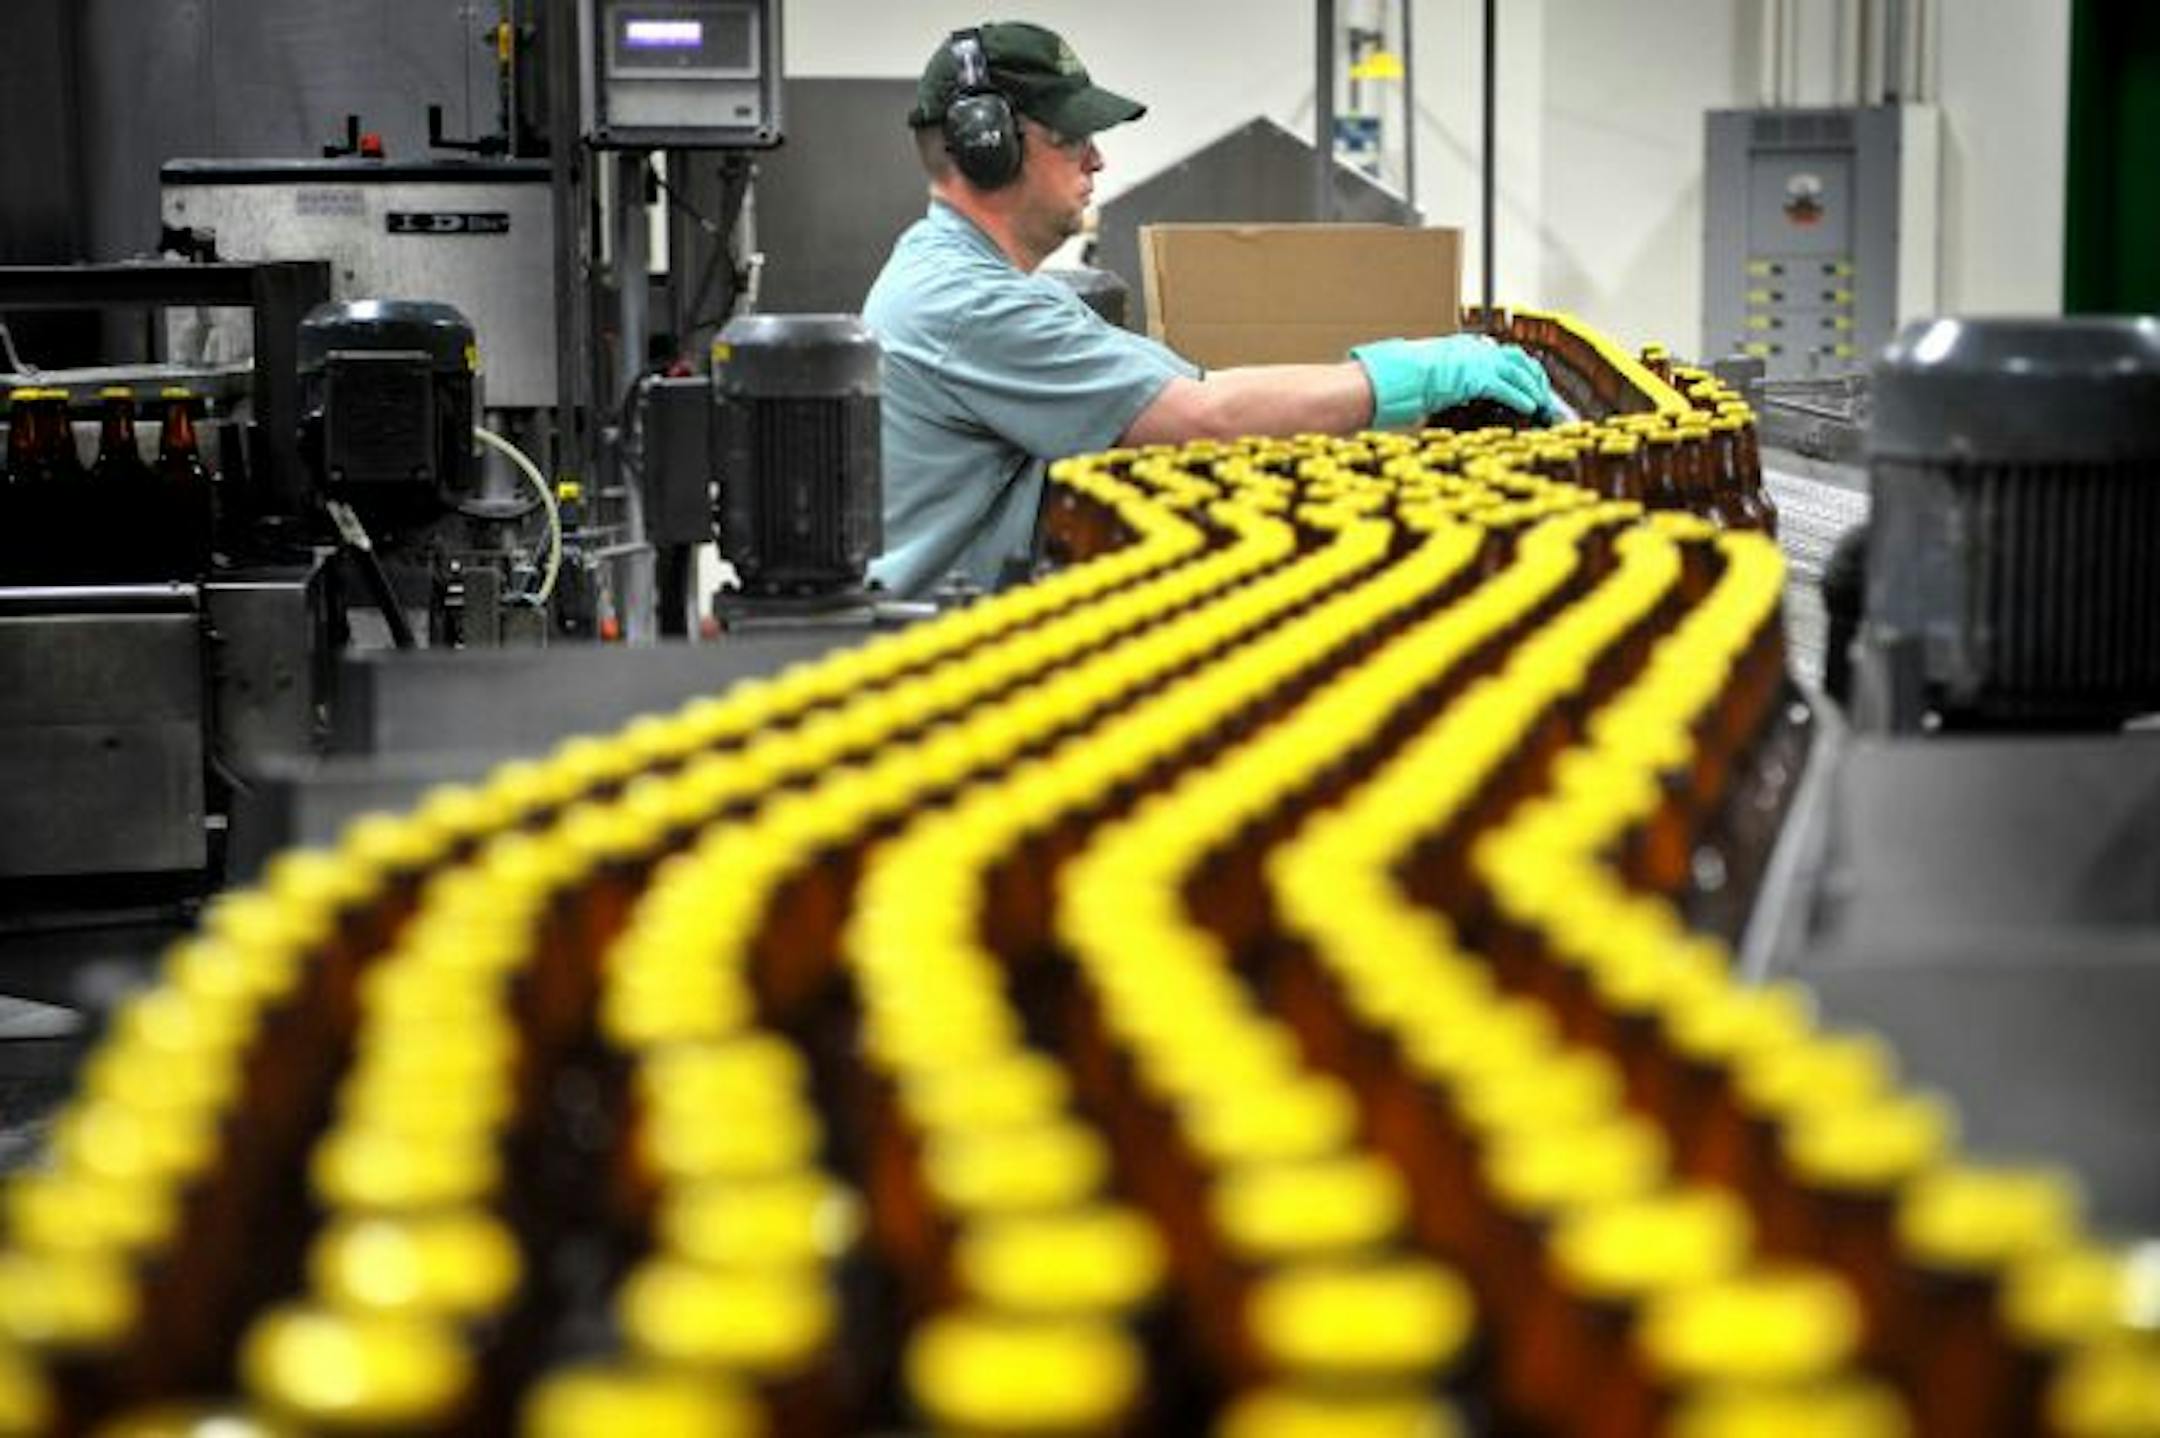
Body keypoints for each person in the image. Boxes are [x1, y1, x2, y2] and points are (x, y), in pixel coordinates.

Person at [863, 21, 1556, 598]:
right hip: (932, 663)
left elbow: (1194, 388)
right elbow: (1202, 420)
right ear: (990, 146)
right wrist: (1417, 374)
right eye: (1071, 137)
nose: (1097, 160)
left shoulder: (1005, 291)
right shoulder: (964, 304)